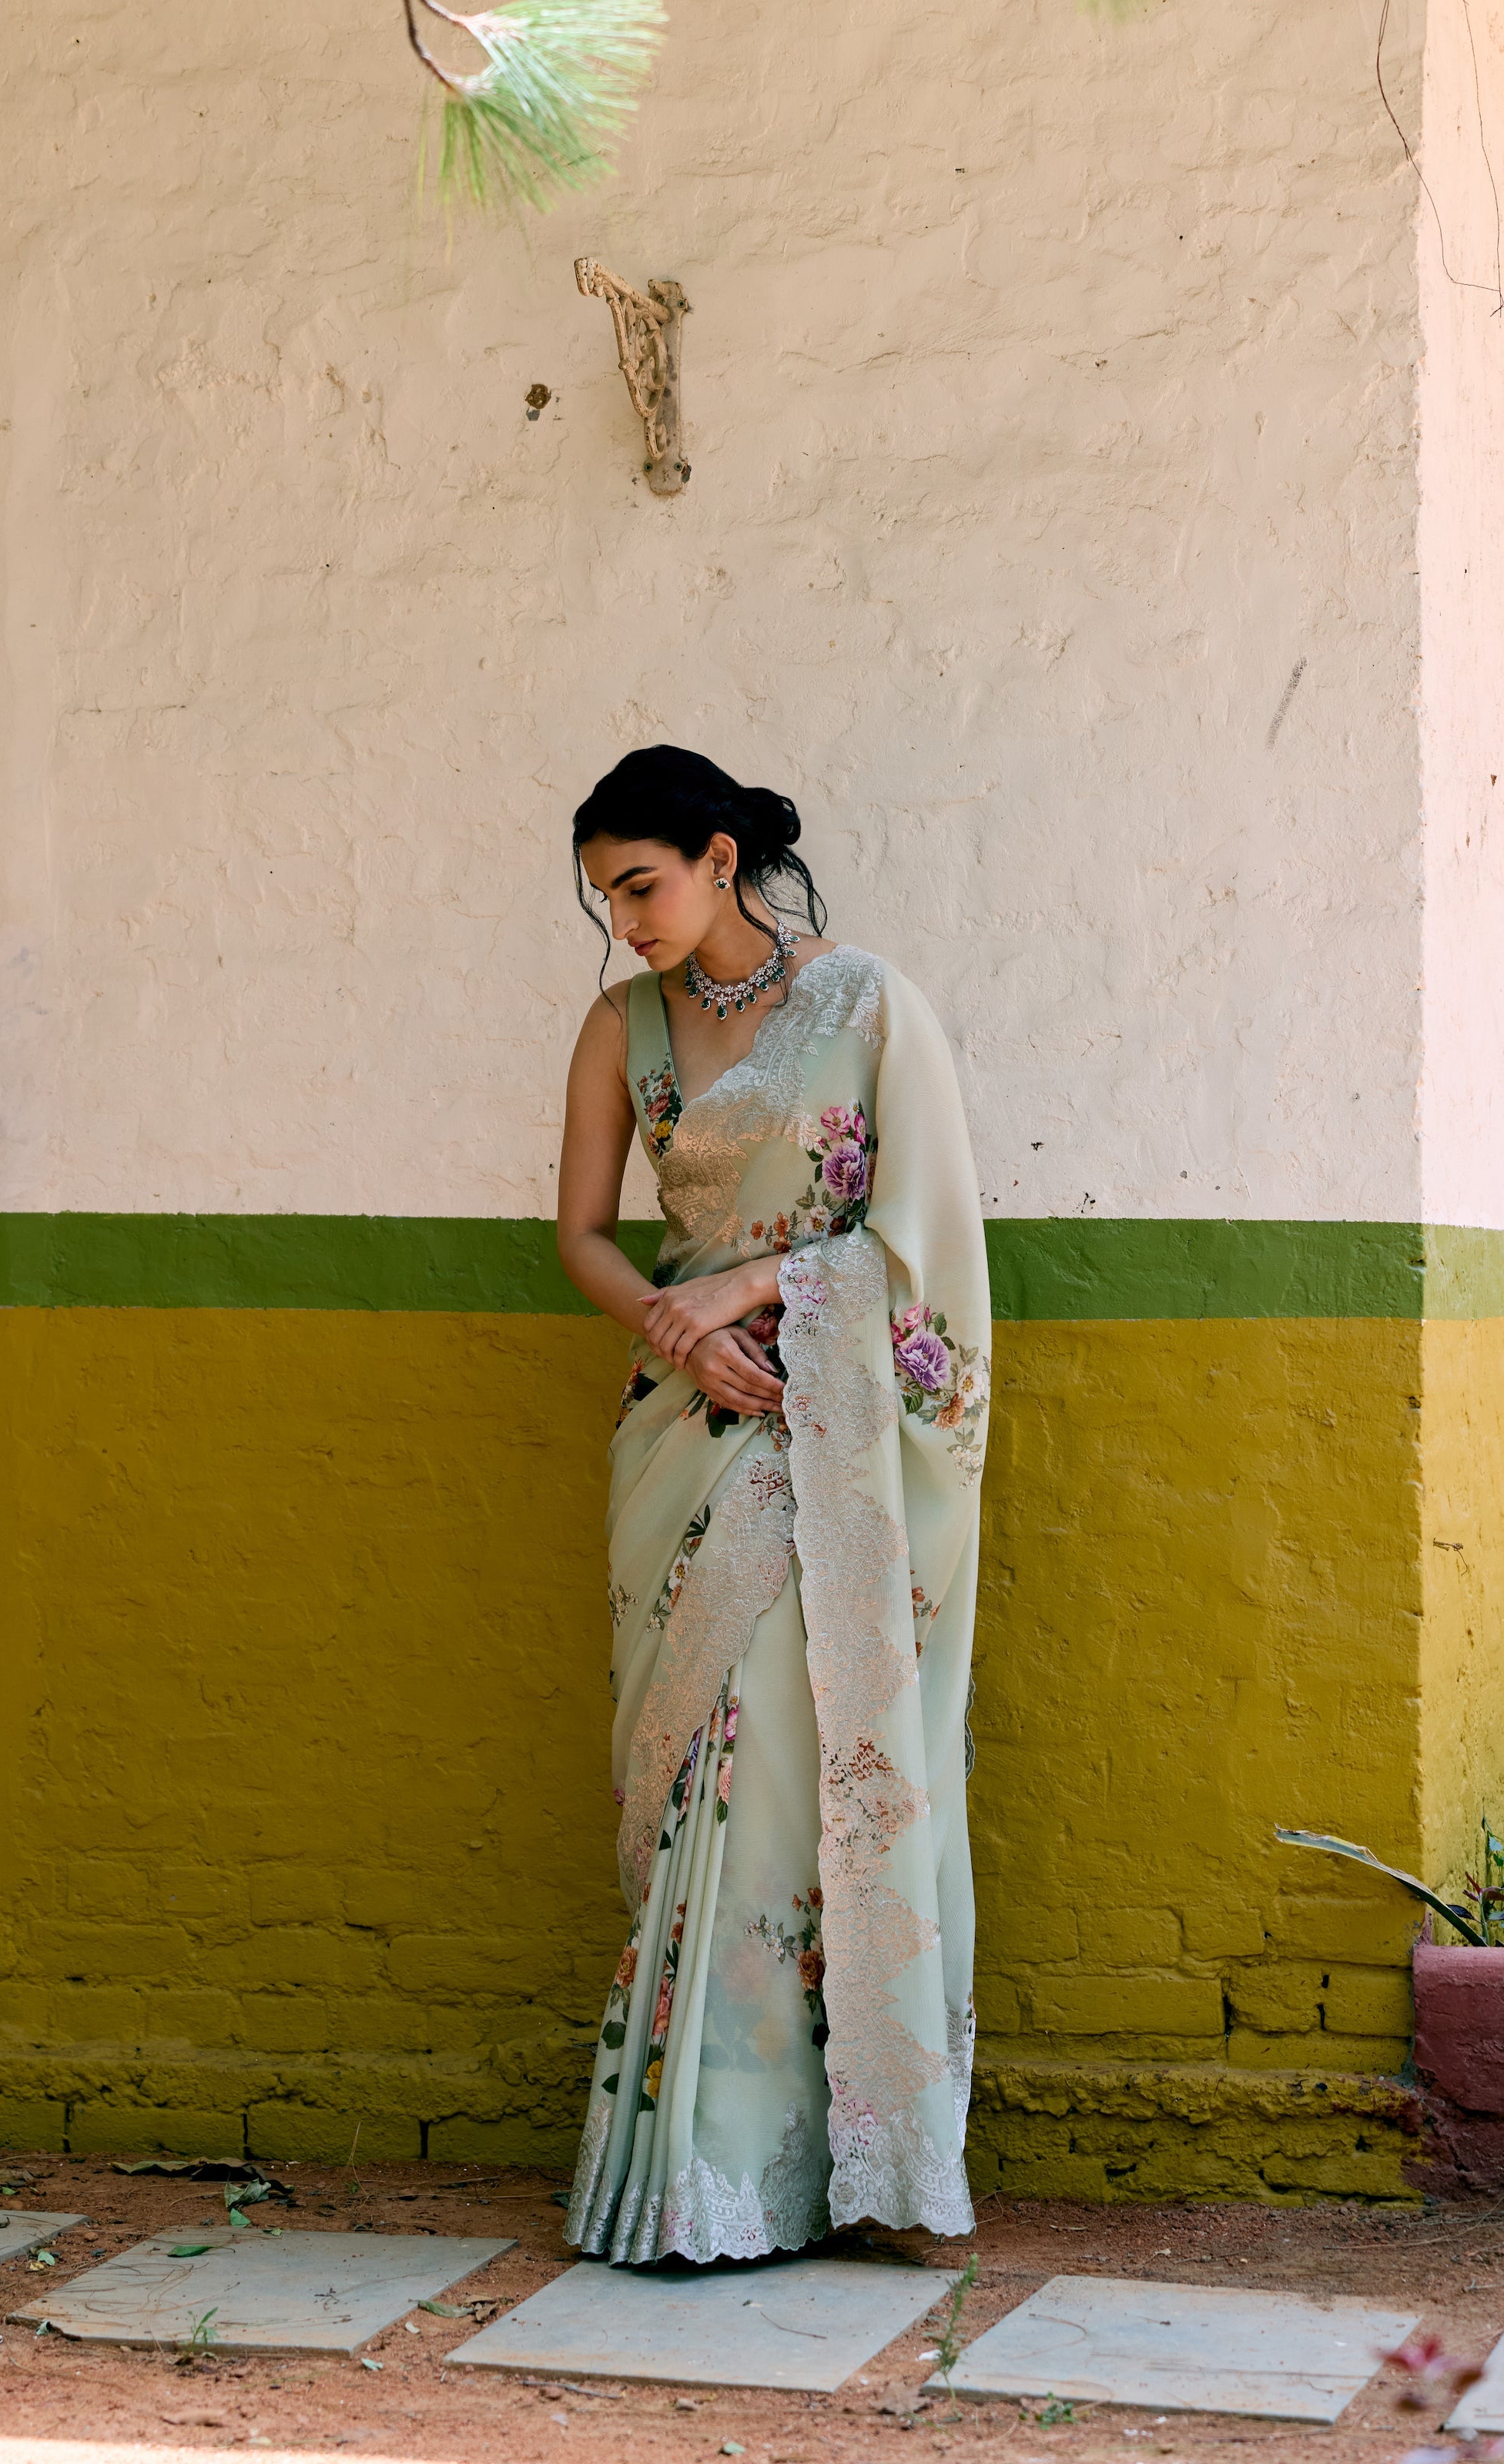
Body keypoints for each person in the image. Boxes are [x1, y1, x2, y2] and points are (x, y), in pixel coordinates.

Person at [554, 744, 990, 2268]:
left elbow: (925, 1237)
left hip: (832, 1432)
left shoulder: (865, 1005)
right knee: (693, 1773)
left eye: (642, 885)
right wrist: (676, 1329)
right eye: (606, 899)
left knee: (785, 1763)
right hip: (683, 1431)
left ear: (720, 859)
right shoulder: (620, 1031)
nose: (627, 922)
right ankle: (693, 2164)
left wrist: (757, 1290)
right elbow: (581, 1237)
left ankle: (809, 2158)